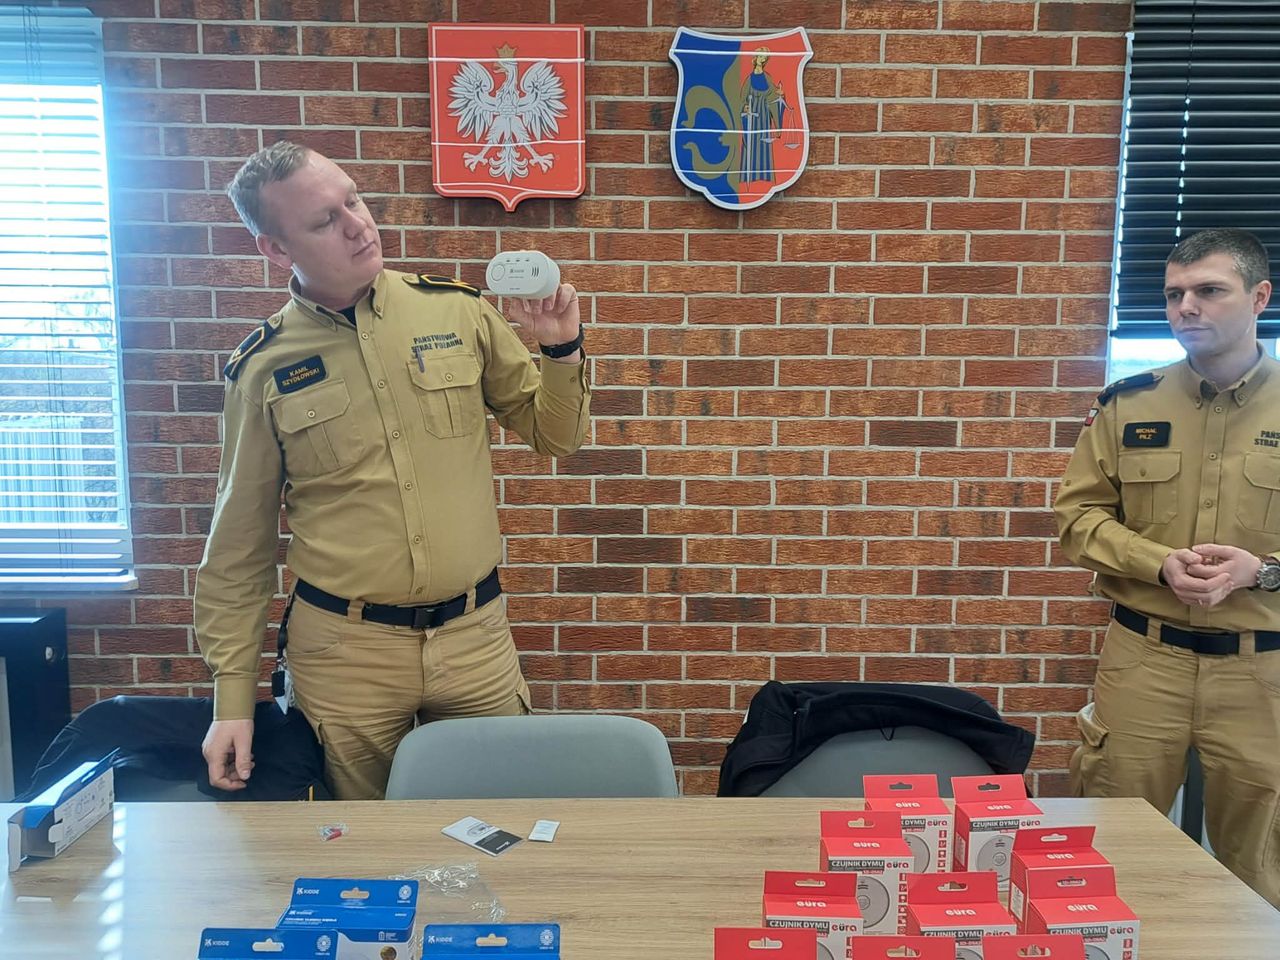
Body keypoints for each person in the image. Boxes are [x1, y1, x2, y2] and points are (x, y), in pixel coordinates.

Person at [194, 141, 591, 800]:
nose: (358, 225)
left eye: (353, 200)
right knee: (359, 844)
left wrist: (561, 348)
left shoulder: (456, 311)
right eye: (325, 221)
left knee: (502, 827)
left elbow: (557, 435)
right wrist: (231, 700)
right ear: (277, 250)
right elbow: (239, 546)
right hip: (346, 659)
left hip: (474, 641)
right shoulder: (263, 367)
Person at [1054, 227, 1280, 906]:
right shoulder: (1128, 404)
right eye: (1174, 294)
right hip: (1145, 661)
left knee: (1260, 867)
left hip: (1263, 671)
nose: (1186, 306)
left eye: (1208, 290)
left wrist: (1263, 570)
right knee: (1111, 850)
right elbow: (1078, 519)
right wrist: (1157, 564)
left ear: (1260, 297)